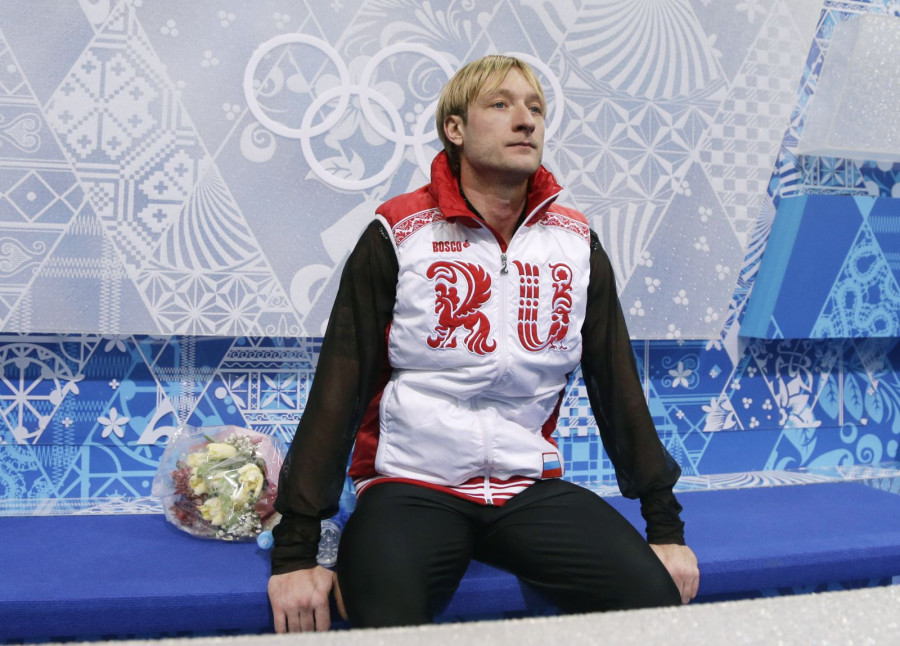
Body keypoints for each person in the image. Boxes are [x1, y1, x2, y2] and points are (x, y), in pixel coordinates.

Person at [267, 54, 699, 632]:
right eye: (500, 104)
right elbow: (338, 386)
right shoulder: (398, 233)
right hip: (410, 486)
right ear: (455, 128)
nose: (525, 120)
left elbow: (617, 386)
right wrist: (297, 550)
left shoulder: (576, 244)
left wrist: (664, 528)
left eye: (536, 108)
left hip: (525, 488)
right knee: (384, 616)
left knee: (654, 604)